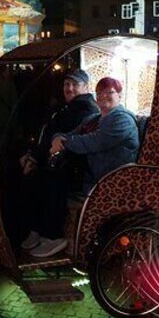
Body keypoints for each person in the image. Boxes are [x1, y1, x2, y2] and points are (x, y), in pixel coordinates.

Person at [35, 77, 139, 258]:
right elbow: (70, 134)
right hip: (90, 174)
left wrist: (64, 141)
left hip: (110, 179)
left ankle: (54, 236)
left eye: (110, 92)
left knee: (55, 180)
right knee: (43, 176)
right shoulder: (94, 118)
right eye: (99, 93)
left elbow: (92, 142)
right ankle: (43, 232)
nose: (104, 96)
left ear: (120, 95)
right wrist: (58, 138)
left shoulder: (122, 121)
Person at [20, 70, 99, 255]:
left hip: (74, 164)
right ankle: (38, 229)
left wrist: (39, 156)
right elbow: (53, 135)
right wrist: (34, 155)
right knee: (33, 179)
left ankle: (53, 235)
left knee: (48, 180)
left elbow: (70, 138)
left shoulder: (85, 109)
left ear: (86, 87)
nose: (69, 88)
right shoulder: (68, 107)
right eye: (66, 84)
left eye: (75, 84)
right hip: (61, 159)